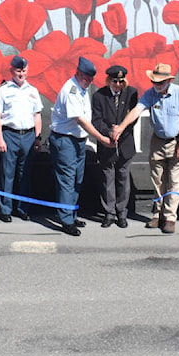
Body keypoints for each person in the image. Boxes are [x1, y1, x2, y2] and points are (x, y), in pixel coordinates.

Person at [112, 63, 179, 234]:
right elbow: (136, 111)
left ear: (169, 80)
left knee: (174, 181)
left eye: (160, 81)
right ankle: (157, 214)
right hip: (157, 141)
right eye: (154, 81)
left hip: (176, 140)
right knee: (158, 181)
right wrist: (121, 127)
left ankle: (170, 217)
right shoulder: (150, 94)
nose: (156, 84)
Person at [49, 57, 112, 236]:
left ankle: (72, 213)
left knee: (77, 179)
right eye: (86, 78)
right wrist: (101, 138)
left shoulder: (82, 88)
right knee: (67, 182)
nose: (89, 81)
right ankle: (66, 220)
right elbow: (81, 120)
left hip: (77, 140)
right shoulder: (72, 90)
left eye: (91, 78)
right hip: (65, 140)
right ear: (78, 73)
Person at [0, 55, 42, 222]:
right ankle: (5, 209)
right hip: (9, 134)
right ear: (12, 70)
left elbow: (37, 115)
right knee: (7, 174)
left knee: (25, 174)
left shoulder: (32, 90)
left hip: (28, 135)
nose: (21, 74)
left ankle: (22, 208)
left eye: (24, 70)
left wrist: (37, 137)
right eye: (18, 70)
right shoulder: (2, 90)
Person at [90, 65, 138, 228]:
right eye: (114, 81)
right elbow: (96, 120)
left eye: (120, 81)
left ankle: (122, 213)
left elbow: (133, 117)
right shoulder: (99, 96)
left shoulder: (131, 93)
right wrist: (109, 132)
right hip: (107, 142)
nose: (117, 85)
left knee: (123, 179)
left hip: (125, 142)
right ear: (108, 80)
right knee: (107, 179)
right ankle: (108, 213)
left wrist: (120, 131)